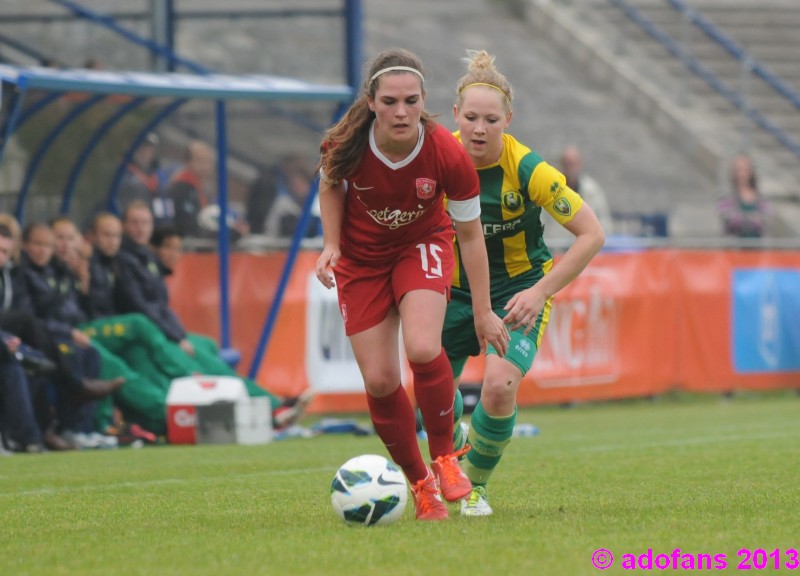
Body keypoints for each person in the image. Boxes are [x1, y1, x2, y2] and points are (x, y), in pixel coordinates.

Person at [314, 48, 509, 521]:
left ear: (425, 100)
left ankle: (446, 459)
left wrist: (483, 311)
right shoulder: (346, 143)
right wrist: (331, 245)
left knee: (423, 347)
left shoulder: (447, 153)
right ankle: (421, 486)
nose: (401, 112)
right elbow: (330, 184)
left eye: (410, 100)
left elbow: (470, 236)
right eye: (390, 101)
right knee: (380, 380)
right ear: (372, 102)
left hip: (420, 246)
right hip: (361, 262)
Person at [444, 50, 605, 516]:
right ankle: (448, 459)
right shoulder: (437, 158)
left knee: (497, 389)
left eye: (490, 119)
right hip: (451, 293)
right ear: (455, 115)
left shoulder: (531, 170)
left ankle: (475, 487)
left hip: (518, 292)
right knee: (433, 397)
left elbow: (591, 234)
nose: (479, 128)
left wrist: (538, 293)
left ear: (508, 120)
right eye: (470, 117)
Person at [116, 202, 309, 430]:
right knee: (206, 367)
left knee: (208, 349)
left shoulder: (144, 260)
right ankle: (271, 407)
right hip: (145, 337)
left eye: (145, 222)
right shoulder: (126, 260)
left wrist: (178, 335)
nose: (140, 228)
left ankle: (265, 405)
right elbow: (141, 307)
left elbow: (159, 309)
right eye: (134, 223)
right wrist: (177, 337)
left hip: (157, 334)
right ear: (125, 226)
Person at [245, 154, 320, 241]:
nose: (296, 188)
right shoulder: (283, 205)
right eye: (293, 184)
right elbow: (270, 231)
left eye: (300, 184)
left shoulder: (320, 205)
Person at [117, 132, 171, 224]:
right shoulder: (124, 173)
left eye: (149, 149)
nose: (146, 152)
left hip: (156, 228)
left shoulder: (158, 176)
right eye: (142, 148)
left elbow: (165, 206)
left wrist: (167, 228)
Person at [718, 154, 768, 238]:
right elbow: (727, 220)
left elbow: (765, 220)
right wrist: (751, 218)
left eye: (745, 169)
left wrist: (742, 219)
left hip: (757, 246)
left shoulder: (761, 198)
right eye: (738, 170)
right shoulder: (726, 197)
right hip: (734, 247)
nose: (741, 173)